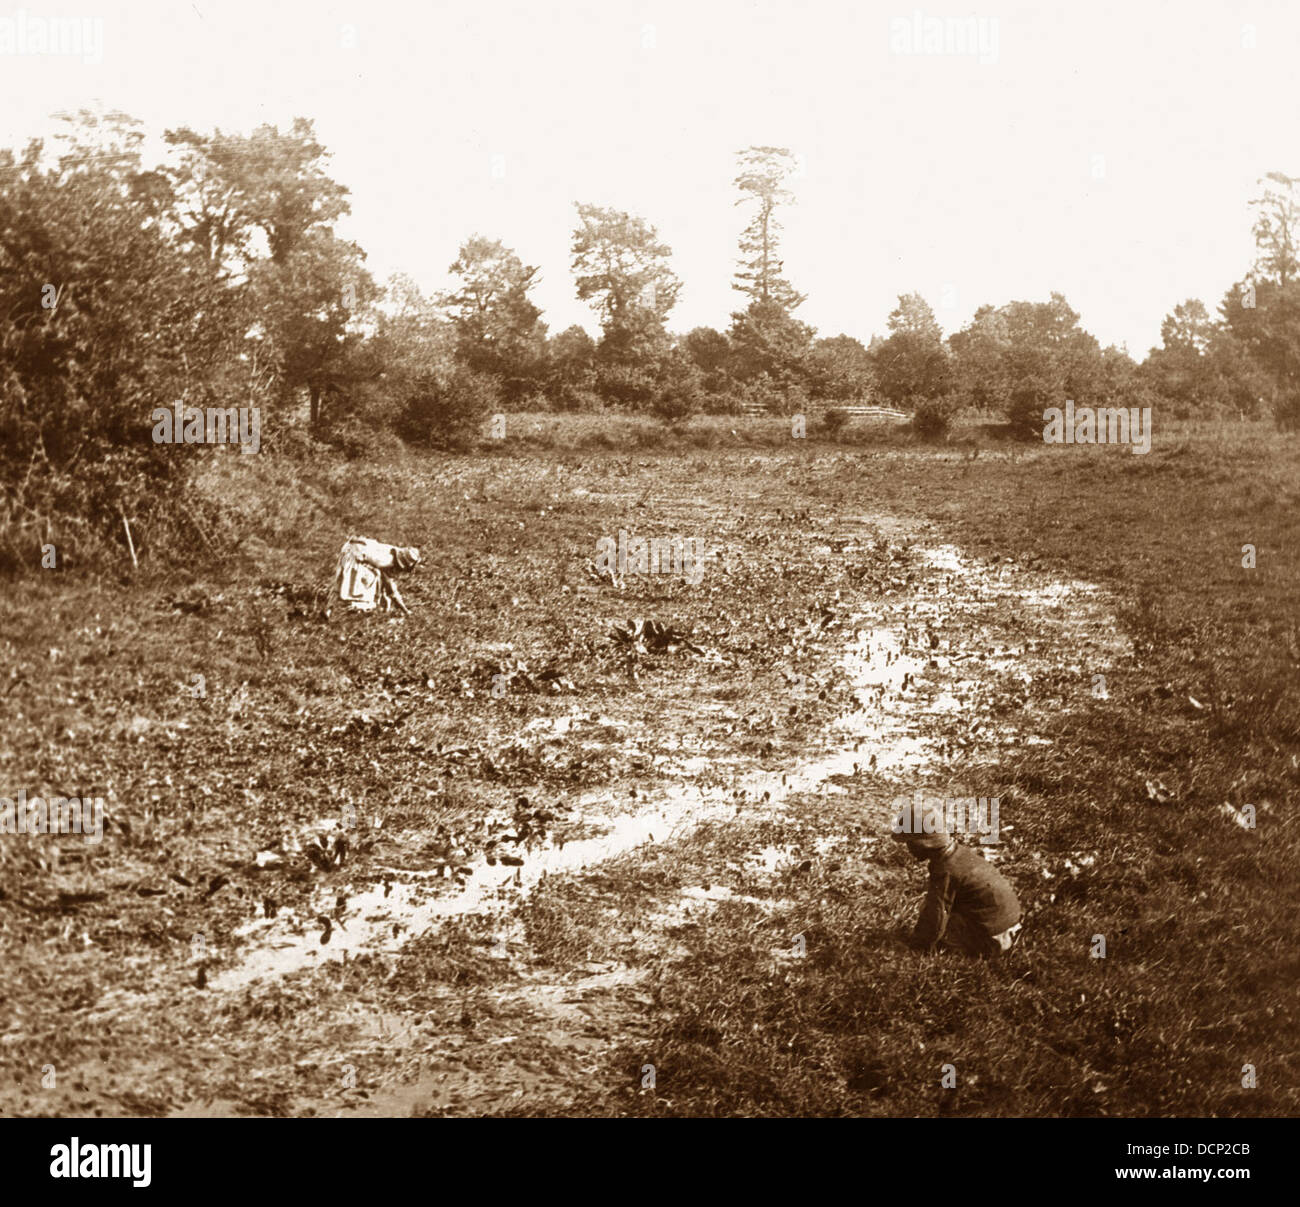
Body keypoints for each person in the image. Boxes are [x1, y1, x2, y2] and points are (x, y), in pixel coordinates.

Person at [891, 820, 1022, 957]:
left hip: (993, 939)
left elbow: (936, 916)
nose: (909, 849)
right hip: (1010, 925)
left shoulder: (945, 869)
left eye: (909, 843)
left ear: (923, 843)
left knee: (940, 928)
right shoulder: (959, 853)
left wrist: (919, 945)